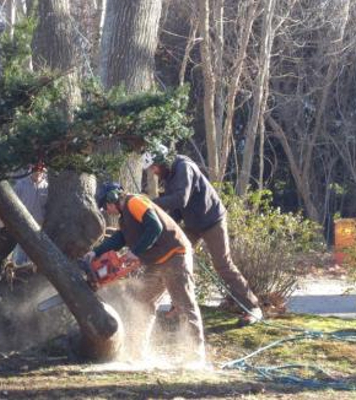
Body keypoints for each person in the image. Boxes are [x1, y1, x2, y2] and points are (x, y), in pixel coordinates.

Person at [84, 183, 206, 362]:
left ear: (112, 198)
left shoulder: (135, 202)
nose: (106, 210)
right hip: (156, 262)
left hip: (174, 255)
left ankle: (196, 356)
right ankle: (137, 352)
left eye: (105, 205)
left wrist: (136, 251)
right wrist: (95, 252)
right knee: (142, 301)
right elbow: (120, 238)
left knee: (184, 303)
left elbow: (154, 227)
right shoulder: (125, 219)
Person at [142, 145, 263, 326]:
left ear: (162, 161)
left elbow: (181, 198)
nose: (154, 172)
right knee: (173, 259)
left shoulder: (184, 167)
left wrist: (150, 204)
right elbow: (175, 211)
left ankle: (253, 308)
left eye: (154, 167)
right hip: (192, 224)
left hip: (212, 220)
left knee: (223, 264)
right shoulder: (168, 177)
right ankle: (178, 306)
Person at [0, 163, 48, 264]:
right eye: (35, 170)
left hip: (39, 228)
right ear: (31, 170)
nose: (37, 173)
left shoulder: (46, 187)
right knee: (21, 256)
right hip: (23, 226)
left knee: (36, 257)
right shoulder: (21, 185)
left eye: (40, 171)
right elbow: (10, 203)